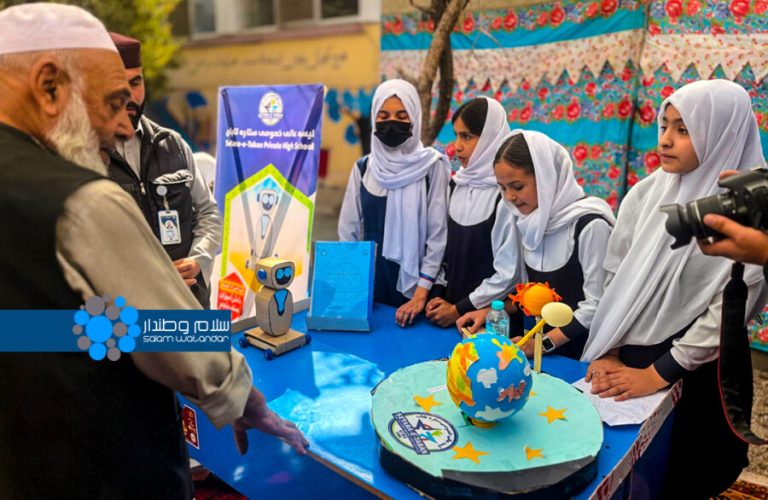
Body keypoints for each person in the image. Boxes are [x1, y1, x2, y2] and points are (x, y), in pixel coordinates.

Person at [0, 4, 307, 498]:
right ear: (50, 87)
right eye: (111, 102)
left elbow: (26, 329)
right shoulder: (81, 200)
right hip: (107, 469)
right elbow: (166, 332)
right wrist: (244, 396)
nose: (123, 128)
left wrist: (115, 326)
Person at [581, 80, 767, 498]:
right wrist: (610, 348)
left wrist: (656, 374)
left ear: (722, 135)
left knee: (687, 468)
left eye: (684, 130)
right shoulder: (646, 194)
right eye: (664, 125)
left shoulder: (745, 211)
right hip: (629, 351)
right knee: (624, 465)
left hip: (699, 369)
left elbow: (725, 315)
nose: (665, 139)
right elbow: (616, 276)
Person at [457, 131, 615, 359]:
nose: (510, 197)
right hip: (535, 354)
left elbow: (596, 306)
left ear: (546, 178)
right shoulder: (528, 221)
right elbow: (531, 295)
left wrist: (543, 344)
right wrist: (490, 312)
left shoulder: (589, 225)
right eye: (503, 188)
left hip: (579, 357)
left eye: (517, 186)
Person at [108, 32, 221, 308]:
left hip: (190, 306)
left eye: (136, 82)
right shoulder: (83, 156)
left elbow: (208, 212)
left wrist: (199, 259)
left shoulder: (173, 144)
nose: (130, 95)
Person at [338, 79, 450, 327]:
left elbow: (438, 235)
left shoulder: (432, 167)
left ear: (414, 118)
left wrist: (420, 294)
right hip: (371, 282)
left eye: (402, 116)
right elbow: (348, 232)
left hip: (416, 285)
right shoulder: (364, 168)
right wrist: (352, 286)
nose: (391, 123)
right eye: (383, 116)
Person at [425, 97, 520, 328]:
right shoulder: (455, 185)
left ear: (490, 138)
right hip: (448, 316)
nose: (457, 146)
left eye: (467, 137)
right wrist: (438, 296)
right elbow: (445, 253)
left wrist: (459, 308)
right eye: (456, 135)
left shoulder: (505, 195)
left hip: (491, 323)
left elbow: (508, 274)